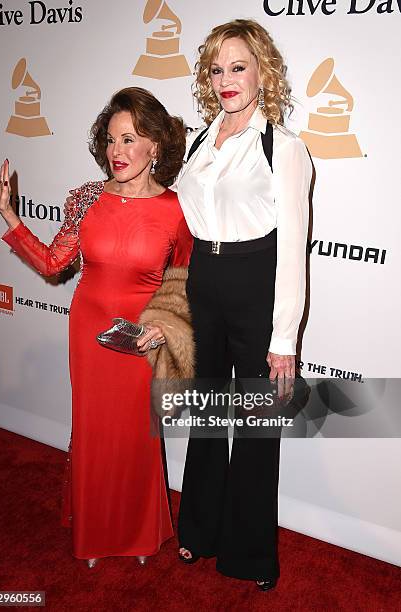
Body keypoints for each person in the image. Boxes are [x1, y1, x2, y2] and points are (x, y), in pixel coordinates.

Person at [0, 87, 193, 567]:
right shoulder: (84, 199)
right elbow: (53, 263)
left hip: (141, 337)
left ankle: (138, 531)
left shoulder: (177, 210)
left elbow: (184, 281)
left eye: (130, 139)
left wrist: (165, 327)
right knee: (94, 430)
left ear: (155, 147)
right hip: (89, 330)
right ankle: (95, 529)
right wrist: (10, 217)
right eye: (110, 139)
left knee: (137, 436)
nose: (117, 151)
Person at [174, 19, 312, 590]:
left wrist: (283, 340)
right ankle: (199, 530)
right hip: (205, 283)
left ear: (262, 72)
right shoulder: (202, 139)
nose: (227, 78)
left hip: (257, 284)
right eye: (217, 68)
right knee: (207, 414)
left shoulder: (285, 147)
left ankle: (251, 553)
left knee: (256, 427)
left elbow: (294, 251)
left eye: (239, 66)